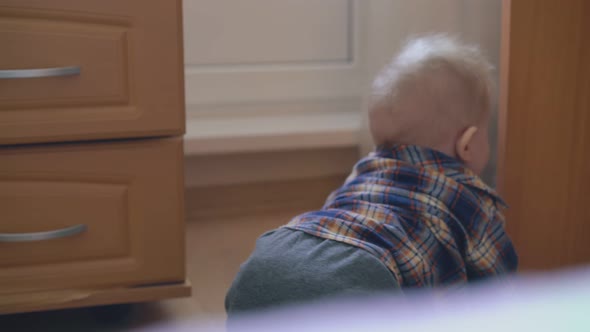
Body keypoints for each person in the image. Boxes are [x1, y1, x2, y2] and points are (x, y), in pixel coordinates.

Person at [225, 34, 518, 315]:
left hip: (275, 257)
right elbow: (494, 295)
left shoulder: (362, 172)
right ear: (466, 144)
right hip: (365, 279)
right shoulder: (471, 198)